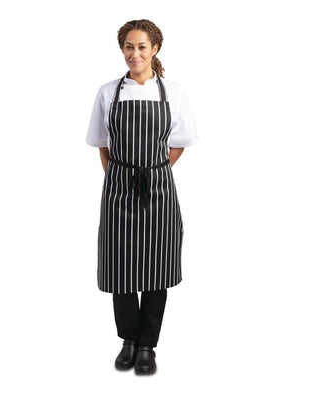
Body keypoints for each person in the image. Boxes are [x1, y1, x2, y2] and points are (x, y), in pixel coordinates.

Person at [86, 19, 198, 375]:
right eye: (129, 47)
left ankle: (148, 344)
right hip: (118, 189)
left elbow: (179, 144)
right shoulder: (108, 92)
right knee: (119, 266)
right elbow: (102, 144)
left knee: (157, 266)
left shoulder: (174, 92)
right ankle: (129, 340)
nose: (135, 54)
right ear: (122, 50)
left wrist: (152, 171)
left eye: (142, 47)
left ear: (155, 49)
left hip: (158, 189)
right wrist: (119, 177)